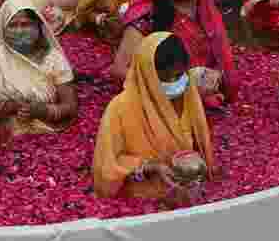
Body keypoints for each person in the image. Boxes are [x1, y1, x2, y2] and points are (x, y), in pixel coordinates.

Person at [93, 32, 216, 200]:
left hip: (187, 191)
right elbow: (106, 168)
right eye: (166, 78)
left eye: (179, 76)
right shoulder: (120, 108)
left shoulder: (188, 96)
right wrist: (149, 167)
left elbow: (198, 142)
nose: (174, 84)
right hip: (144, 196)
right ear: (147, 75)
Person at [115, 0, 237, 108]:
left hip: (206, 96)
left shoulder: (204, 7)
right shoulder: (148, 15)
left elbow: (218, 53)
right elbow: (119, 70)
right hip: (167, 101)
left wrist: (215, 75)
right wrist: (177, 86)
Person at [0, 0, 78, 136]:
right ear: (2, 29)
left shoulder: (53, 59)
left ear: (38, 26)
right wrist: (5, 107)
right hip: (0, 135)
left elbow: (70, 106)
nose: (20, 30)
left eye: (26, 24)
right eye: (13, 25)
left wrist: (43, 111)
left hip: (44, 132)